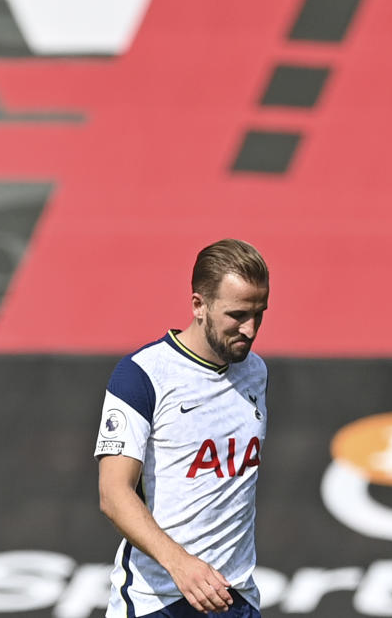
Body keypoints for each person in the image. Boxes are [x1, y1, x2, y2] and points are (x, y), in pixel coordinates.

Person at [95, 238, 270, 618]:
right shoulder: (142, 375)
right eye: (238, 315)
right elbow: (112, 492)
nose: (251, 329)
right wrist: (181, 565)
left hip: (236, 598)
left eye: (260, 313)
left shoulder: (255, 371)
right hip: (159, 601)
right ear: (199, 306)